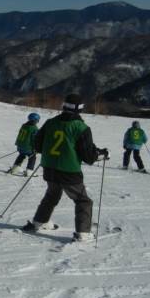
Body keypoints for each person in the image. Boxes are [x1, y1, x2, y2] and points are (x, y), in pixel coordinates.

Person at [21, 93, 109, 242]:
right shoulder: (81, 127)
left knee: (52, 195)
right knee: (83, 201)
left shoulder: (50, 122)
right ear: (79, 109)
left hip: (49, 168)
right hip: (69, 171)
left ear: (64, 106)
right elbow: (88, 157)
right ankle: (83, 233)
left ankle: (39, 222)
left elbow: (38, 145)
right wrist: (100, 154)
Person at [8, 112, 40, 177]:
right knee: (32, 157)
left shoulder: (24, 125)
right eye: (37, 120)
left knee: (22, 155)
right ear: (36, 120)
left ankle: (15, 167)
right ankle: (29, 171)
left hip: (20, 145)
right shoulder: (34, 128)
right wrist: (36, 148)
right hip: (28, 147)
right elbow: (34, 139)